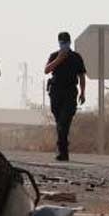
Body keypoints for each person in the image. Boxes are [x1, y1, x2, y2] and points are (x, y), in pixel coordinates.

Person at [44, 31, 86, 161]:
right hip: (56, 91)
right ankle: (62, 148)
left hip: (70, 92)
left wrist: (83, 92)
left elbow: (81, 76)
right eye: (62, 43)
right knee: (59, 122)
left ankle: (63, 151)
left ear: (70, 42)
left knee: (64, 121)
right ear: (59, 43)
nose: (64, 45)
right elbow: (47, 70)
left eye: (66, 42)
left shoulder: (76, 57)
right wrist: (59, 59)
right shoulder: (54, 55)